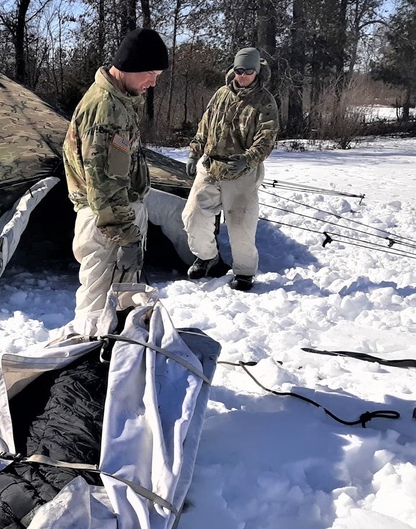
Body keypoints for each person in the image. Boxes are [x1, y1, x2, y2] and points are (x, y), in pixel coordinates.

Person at [62, 28, 168, 326]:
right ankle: (86, 359)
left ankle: (111, 358)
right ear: (129, 65)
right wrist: (127, 235)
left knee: (120, 303)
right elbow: (103, 184)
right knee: (96, 311)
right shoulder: (107, 110)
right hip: (107, 223)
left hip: (117, 217)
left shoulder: (118, 100)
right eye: (150, 73)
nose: (153, 82)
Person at [182, 46, 279, 292]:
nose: (243, 75)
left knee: (241, 224)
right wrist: (195, 151)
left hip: (242, 171)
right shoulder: (221, 94)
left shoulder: (265, 101)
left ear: (257, 71)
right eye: (239, 70)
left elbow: (267, 138)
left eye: (248, 71)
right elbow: (205, 124)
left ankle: (245, 272)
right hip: (212, 165)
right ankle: (207, 257)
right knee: (192, 216)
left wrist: (249, 159)